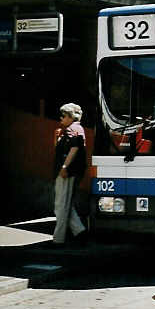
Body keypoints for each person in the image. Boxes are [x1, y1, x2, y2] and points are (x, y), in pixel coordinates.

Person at [53, 102, 87, 245]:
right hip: (72, 171)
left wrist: (64, 167)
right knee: (65, 204)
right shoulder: (77, 129)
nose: (60, 118)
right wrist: (56, 138)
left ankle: (58, 239)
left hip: (67, 172)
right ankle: (79, 231)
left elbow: (74, 149)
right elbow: (60, 149)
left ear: (70, 116)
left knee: (61, 205)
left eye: (63, 115)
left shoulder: (71, 130)